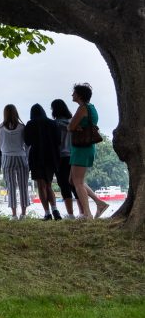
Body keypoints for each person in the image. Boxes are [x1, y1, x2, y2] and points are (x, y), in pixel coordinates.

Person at [68, 83, 110, 219]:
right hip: (87, 147)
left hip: (81, 147)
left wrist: (75, 127)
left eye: (74, 93)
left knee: (78, 182)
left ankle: (87, 214)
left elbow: (70, 126)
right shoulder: (92, 108)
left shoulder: (82, 109)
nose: (72, 95)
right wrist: (77, 126)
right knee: (73, 180)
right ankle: (99, 203)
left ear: (79, 95)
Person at [24, 104, 62, 220]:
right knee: (49, 184)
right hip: (51, 157)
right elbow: (58, 140)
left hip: (36, 157)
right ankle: (55, 210)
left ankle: (47, 213)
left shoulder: (30, 124)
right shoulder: (52, 123)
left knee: (41, 186)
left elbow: (27, 141)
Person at [0, 104, 29, 220]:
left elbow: (0, 144)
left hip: (7, 157)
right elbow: (26, 145)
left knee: (11, 186)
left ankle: (14, 214)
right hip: (21, 156)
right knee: (23, 186)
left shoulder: (1, 128)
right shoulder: (22, 127)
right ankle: (24, 214)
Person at [50, 99, 77, 219]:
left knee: (64, 185)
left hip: (60, 157)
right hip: (73, 156)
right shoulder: (72, 122)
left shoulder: (54, 124)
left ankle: (70, 213)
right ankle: (83, 211)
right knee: (75, 184)